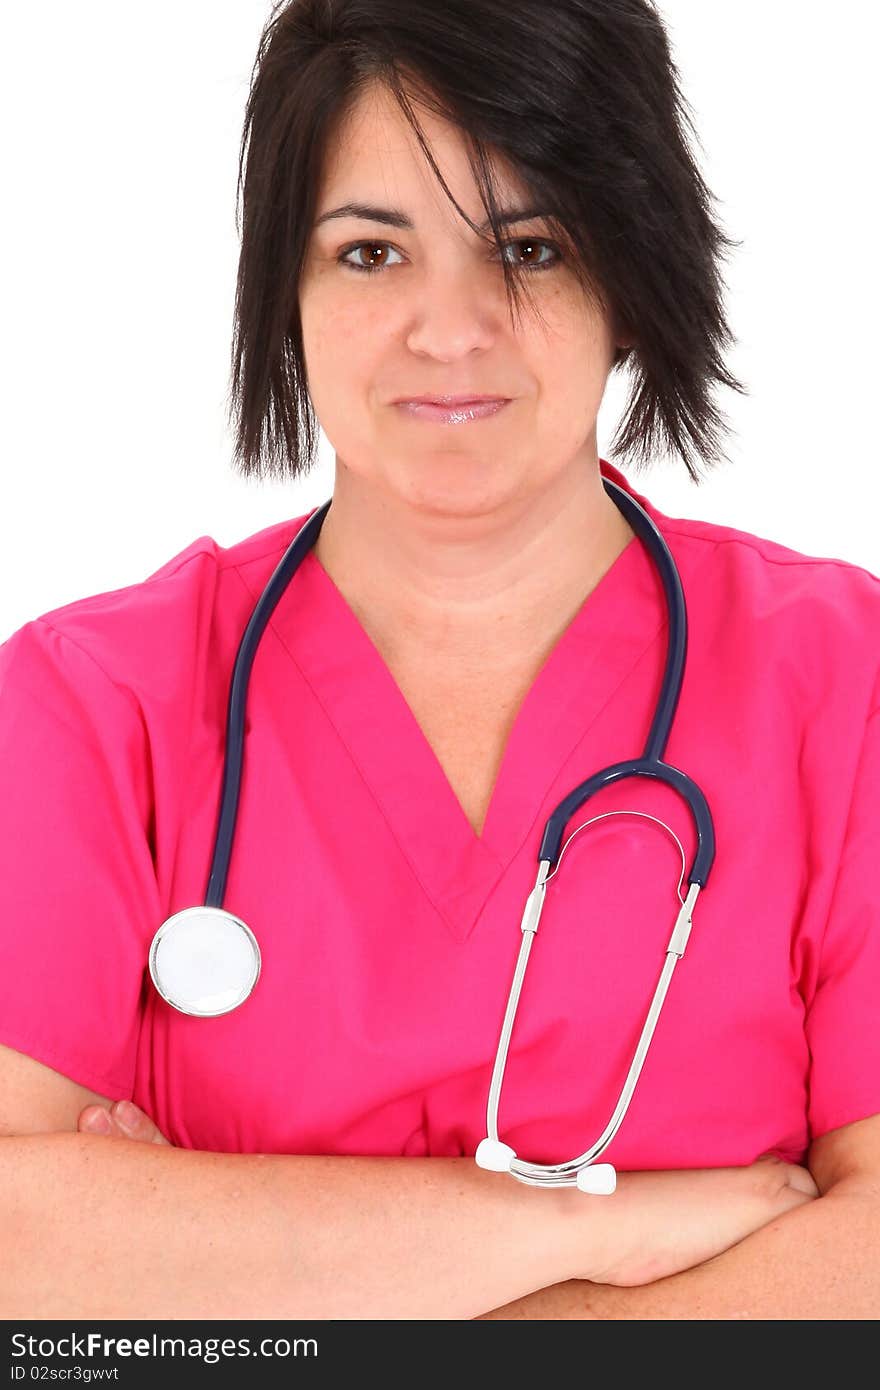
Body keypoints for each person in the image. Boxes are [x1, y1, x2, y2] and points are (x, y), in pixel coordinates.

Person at [1, 0, 878, 1321]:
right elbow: (18, 1243)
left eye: (527, 246)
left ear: (634, 279)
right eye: (370, 253)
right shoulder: (89, 703)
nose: (449, 328)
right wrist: (626, 1226)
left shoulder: (844, 681)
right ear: (283, 293)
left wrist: (223, 1271)